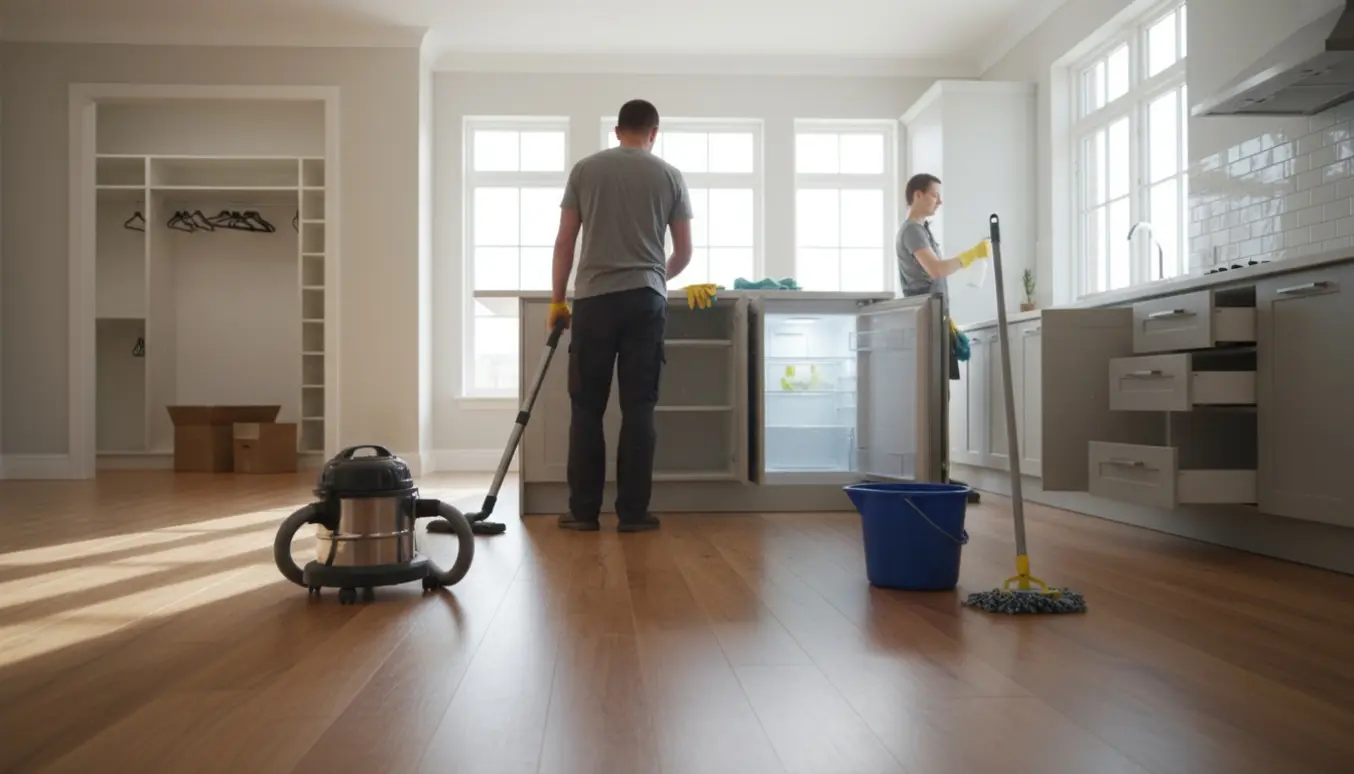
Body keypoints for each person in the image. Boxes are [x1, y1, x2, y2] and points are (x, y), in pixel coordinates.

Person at [545, 99, 694, 532]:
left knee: (587, 409)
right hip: (645, 302)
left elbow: (564, 243)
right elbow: (683, 252)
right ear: (654, 131)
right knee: (639, 408)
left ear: (617, 131)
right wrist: (653, 277)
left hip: (593, 301)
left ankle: (584, 512)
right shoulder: (670, 175)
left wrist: (559, 302)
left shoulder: (586, 170)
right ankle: (633, 514)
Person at [896, 172, 989, 504]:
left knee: (939, 399)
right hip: (926, 319)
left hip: (936, 318)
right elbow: (935, 270)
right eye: (935, 195)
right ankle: (934, 479)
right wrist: (970, 256)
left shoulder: (923, 231)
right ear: (918, 195)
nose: (940, 200)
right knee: (934, 399)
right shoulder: (911, 231)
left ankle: (940, 475)